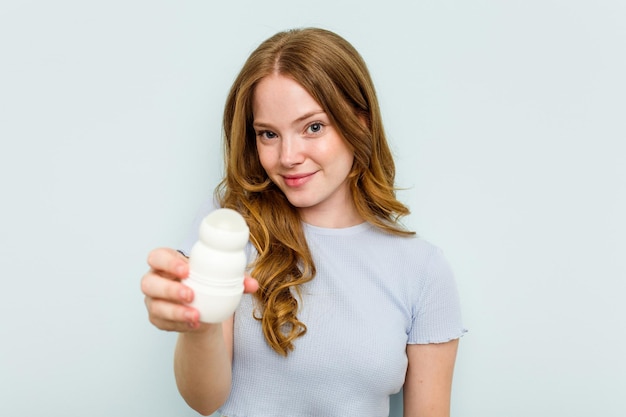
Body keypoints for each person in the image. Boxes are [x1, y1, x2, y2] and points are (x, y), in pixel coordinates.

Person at [141, 27, 466, 417]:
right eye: (268, 134)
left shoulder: (422, 270)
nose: (288, 156)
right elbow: (204, 400)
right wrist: (200, 323)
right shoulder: (229, 229)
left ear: (359, 122)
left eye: (313, 127)